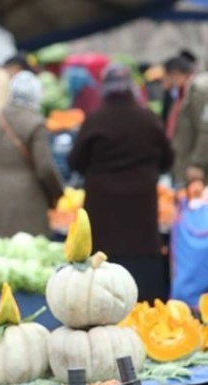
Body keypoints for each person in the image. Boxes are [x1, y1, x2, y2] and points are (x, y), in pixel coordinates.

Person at [68, 65, 174, 302]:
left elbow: (75, 161)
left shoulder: (95, 120)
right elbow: (168, 159)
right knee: (142, 281)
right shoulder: (148, 119)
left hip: (102, 209)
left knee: (102, 269)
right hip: (141, 211)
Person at [0, 71, 64, 238]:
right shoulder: (35, 123)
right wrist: (58, 192)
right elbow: (45, 168)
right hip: (28, 198)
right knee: (27, 251)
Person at [164, 55, 208, 187]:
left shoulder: (198, 91)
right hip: (184, 164)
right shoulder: (184, 93)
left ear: (175, 74)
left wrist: (198, 163)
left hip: (196, 169)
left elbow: (205, 129)